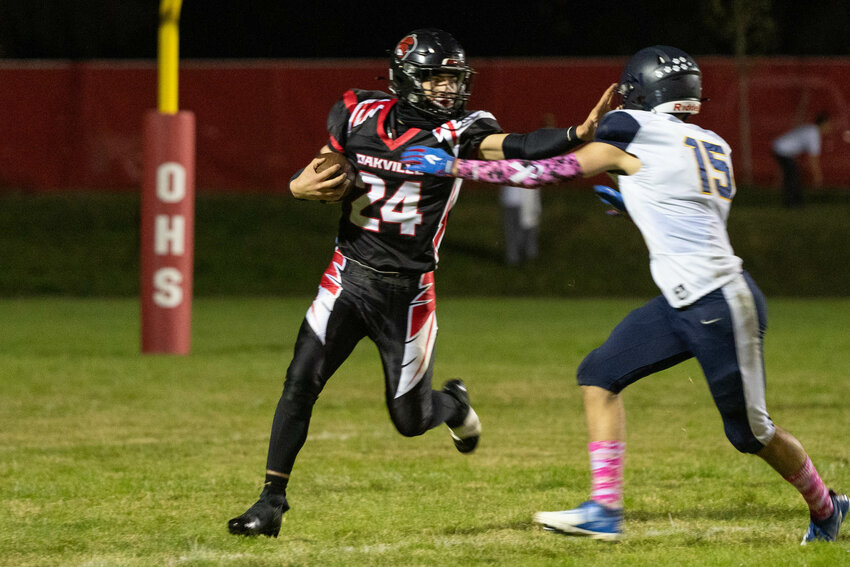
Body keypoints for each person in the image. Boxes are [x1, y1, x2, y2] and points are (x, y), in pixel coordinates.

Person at [401, 45, 847, 544]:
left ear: (640, 91)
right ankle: (604, 509)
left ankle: (827, 505)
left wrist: (449, 167)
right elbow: (692, 212)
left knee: (751, 433)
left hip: (720, 303)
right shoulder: (710, 142)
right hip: (684, 301)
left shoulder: (632, 133)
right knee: (599, 374)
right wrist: (637, 199)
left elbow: (536, 174)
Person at [227, 28, 614, 538]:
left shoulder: (460, 129)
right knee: (300, 382)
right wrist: (299, 183)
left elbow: (516, 146)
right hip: (349, 274)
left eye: (453, 80)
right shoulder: (357, 111)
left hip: (408, 293)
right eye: (435, 80)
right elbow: (323, 162)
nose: (447, 91)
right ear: (406, 79)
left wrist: (575, 134)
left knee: (409, 420)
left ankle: (453, 403)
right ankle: (270, 502)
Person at [772, 112, 833, 208]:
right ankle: (793, 203)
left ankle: (795, 202)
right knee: (793, 176)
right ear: (823, 124)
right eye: (829, 125)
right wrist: (817, 176)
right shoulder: (813, 134)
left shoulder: (810, 129)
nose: (830, 128)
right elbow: (813, 158)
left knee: (793, 175)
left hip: (780, 148)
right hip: (782, 150)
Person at [500, 183, 541, 265]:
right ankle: (515, 256)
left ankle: (526, 254)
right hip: (512, 200)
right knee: (515, 228)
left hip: (523, 199)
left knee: (526, 227)